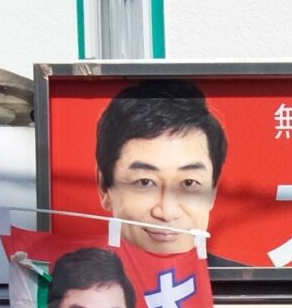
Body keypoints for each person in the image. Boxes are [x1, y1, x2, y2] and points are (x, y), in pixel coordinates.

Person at [94, 79, 236, 265]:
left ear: (213, 192)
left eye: (188, 183)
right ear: (105, 187)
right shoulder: (68, 288)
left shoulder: (250, 289)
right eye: (145, 182)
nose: (167, 212)